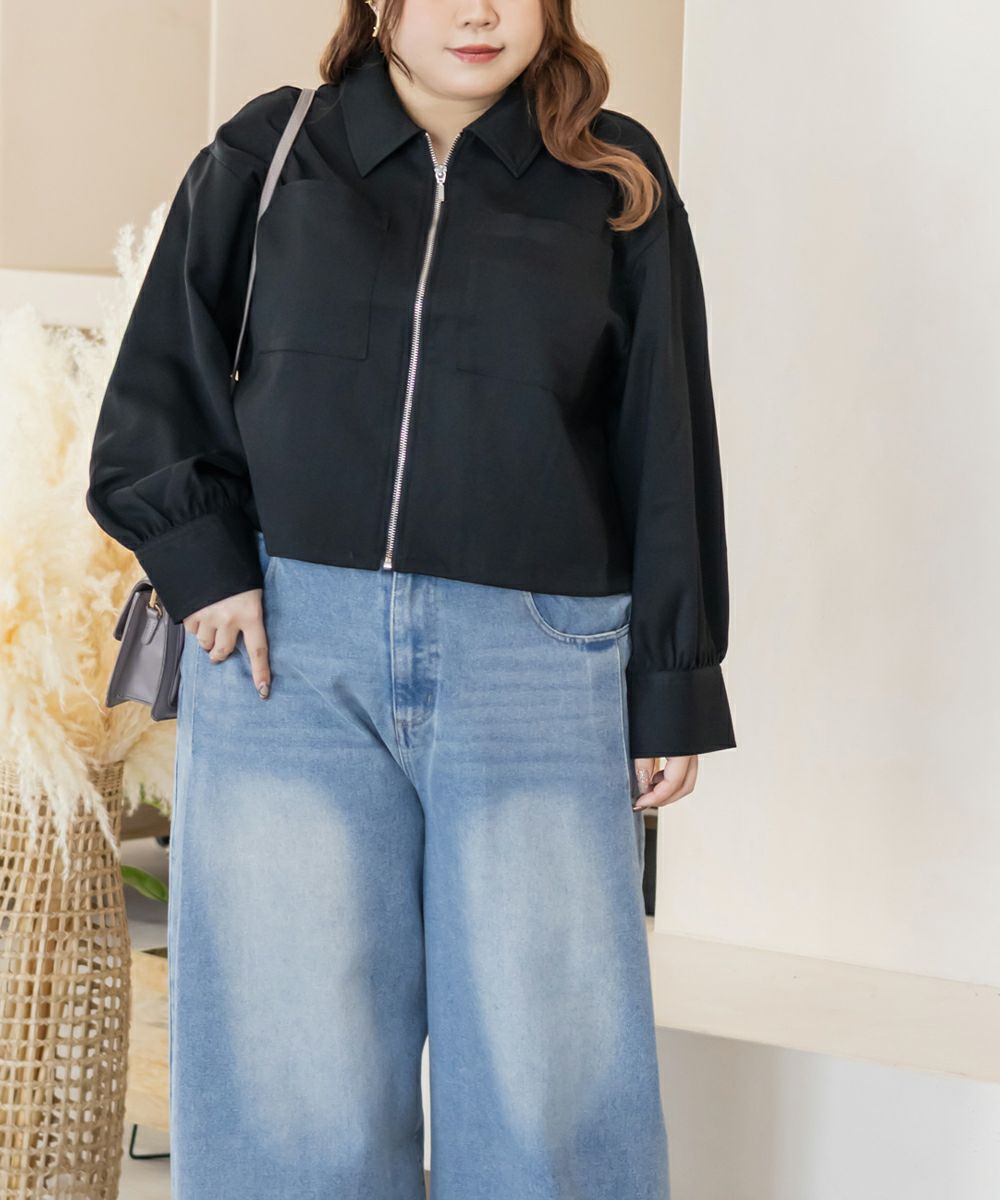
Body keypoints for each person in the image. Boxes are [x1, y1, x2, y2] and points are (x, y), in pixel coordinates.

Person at [87, 1, 736, 1196]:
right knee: (289, 1068)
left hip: (533, 659)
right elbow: (161, 374)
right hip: (288, 657)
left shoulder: (613, 176)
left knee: (545, 1066)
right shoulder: (276, 149)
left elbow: (665, 434)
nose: (477, 11)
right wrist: (205, 565)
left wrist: (672, 676)